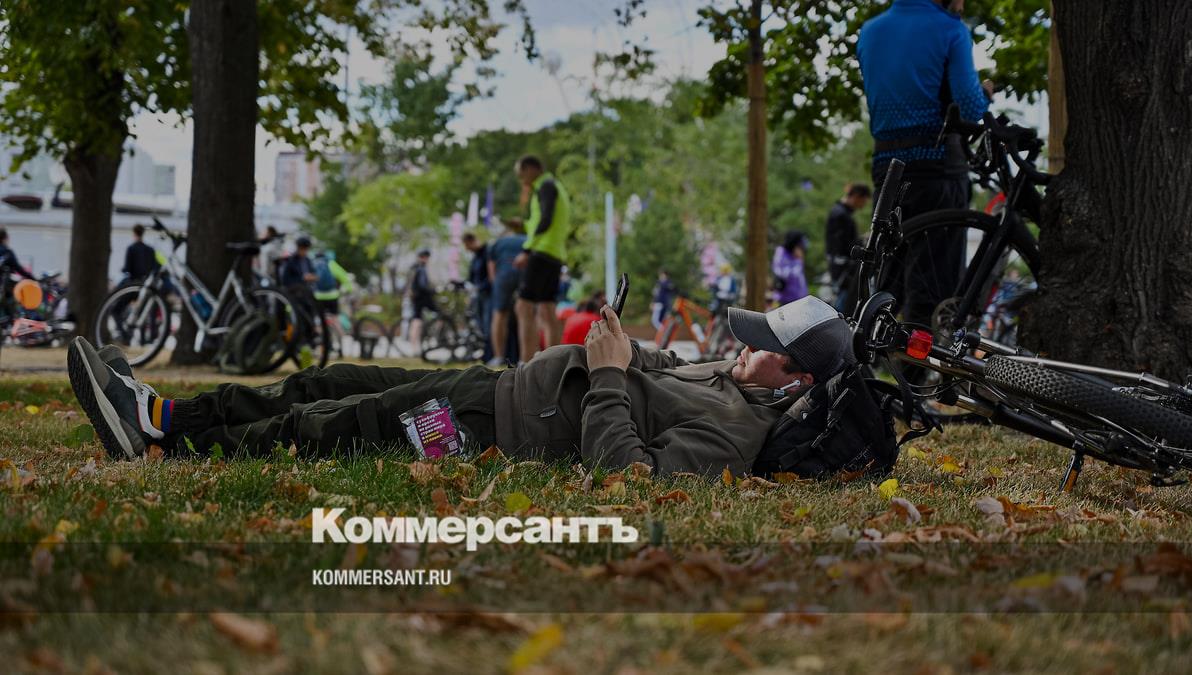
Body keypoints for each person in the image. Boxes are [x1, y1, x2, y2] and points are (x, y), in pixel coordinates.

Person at [65, 295, 854, 478]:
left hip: (491, 430)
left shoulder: (734, 432)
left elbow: (629, 474)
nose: (743, 348)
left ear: (799, 377)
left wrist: (610, 372)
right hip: (497, 382)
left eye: (763, 347)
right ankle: (169, 410)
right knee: (333, 376)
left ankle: (165, 447)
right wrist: (621, 342)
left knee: (345, 421)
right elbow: (649, 370)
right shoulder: (721, 371)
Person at [858, 0, 993, 328]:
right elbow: (970, 106)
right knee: (931, 292)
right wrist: (986, 94)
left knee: (884, 286)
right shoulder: (950, 29)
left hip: (888, 169)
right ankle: (918, 360)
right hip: (937, 167)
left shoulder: (869, 32)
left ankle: (864, 357)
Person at [508, 155, 573, 363]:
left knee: (523, 306)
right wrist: (523, 225)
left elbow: (546, 220)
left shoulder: (545, 186)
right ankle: (553, 363)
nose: (521, 180)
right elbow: (542, 222)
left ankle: (526, 362)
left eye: (521, 174)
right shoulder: (554, 186)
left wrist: (527, 250)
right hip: (555, 255)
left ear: (531, 168)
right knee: (547, 309)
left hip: (542, 253)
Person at [826, 183, 873, 314]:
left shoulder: (840, 213)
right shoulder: (841, 215)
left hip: (841, 267)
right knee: (842, 307)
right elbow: (842, 246)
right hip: (844, 269)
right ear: (856, 196)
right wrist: (862, 242)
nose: (863, 205)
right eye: (863, 201)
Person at [487, 220, 527, 366]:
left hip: (503, 276)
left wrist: (495, 284)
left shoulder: (498, 242)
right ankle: (525, 357)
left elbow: (491, 268)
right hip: (524, 275)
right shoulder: (527, 240)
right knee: (526, 315)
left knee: (499, 314)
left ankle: (498, 356)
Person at [462, 233, 493, 362]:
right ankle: (485, 353)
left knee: (487, 323)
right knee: (480, 324)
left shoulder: (487, 253)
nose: (466, 249)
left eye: (467, 245)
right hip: (478, 294)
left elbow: (491, 274)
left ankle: (490, 354)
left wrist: (481, 287)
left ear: (471, 241)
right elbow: (471, 277)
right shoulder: (475, 257)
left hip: (487, 293)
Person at [407, 249, 437, 355]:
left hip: (416, 298)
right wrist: (433, 291)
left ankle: (415, 347)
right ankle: (436, 337)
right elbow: (422, 285)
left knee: (417, 320)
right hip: (423, 297)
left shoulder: (414, 268)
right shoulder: (421, 269)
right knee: (439, 314)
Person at [0, 226, 34, 317]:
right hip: (3, 289)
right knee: (11, 304)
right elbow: (19, 269)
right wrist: (33, 278)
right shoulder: (7, 252)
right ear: (5, 238)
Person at [312, 250, 353, 317]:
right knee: (334, 317)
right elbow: (344, 277)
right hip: (332, 295)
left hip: (318, 296)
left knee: (319, 318)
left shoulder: (312, 264)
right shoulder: (331, 263)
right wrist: (349, 289)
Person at [772, 232, 809, 305]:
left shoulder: (797, 257)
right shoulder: (781, 252)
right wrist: (797, 261)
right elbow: (783, 273)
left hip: (799, 298)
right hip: (784, 299)